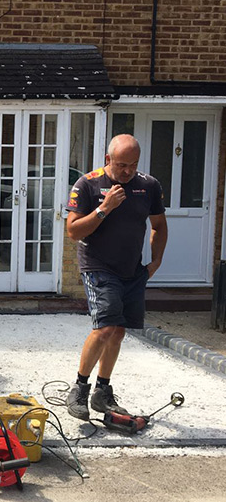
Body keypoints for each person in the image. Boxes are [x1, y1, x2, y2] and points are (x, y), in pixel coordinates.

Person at [65, 134, 168, 420]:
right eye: (122, 165)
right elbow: (73, 231)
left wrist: (156, 261)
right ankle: (79, 389)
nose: (127, 171)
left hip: (132, 269)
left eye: (132, 165)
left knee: (119, 331)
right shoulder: (88, 184)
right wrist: (104, 208)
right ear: (108, 159)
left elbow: (159, 225)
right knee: (105, 327)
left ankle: (102, 391)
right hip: (98, 265)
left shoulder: (148, 186)